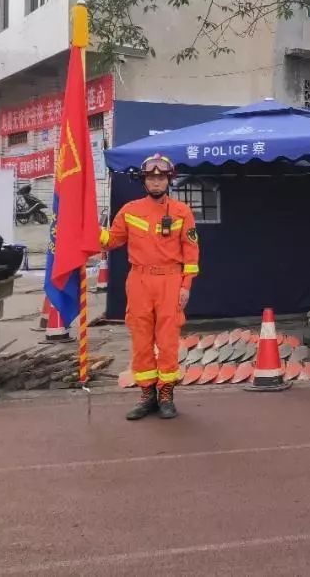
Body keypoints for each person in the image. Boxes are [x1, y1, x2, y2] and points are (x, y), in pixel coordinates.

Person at [102, 153, 199, 420]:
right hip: (139, 281)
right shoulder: (130, 210)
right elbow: (110, 241)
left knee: (167, 342)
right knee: (141, 339)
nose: (156, 182)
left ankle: (166, 393)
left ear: (169, 180)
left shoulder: (182, 212)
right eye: (151, 178)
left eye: (161, 178)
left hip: (170, 281)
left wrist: (185, 286)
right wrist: (88, 230)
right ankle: (147, 395)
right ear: (144, 180)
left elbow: (191, 254)